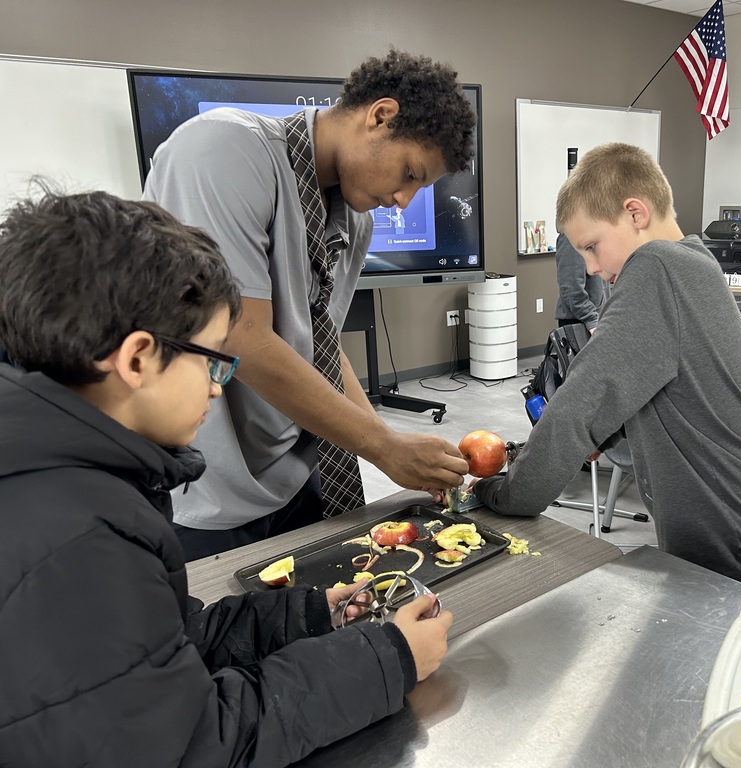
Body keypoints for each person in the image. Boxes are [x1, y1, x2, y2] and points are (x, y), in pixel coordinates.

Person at [0, 190, 453, 766]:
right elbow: (193, 746)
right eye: (213, 359)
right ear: (138, 358)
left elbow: (161, 647)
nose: (218, 386)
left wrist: (309, 617)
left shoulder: (62, 478)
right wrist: (388, 658)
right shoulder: (78, 539)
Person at [143, 50, 475, 559]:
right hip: (209, 486)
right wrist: (382, 446)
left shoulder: (355, 217)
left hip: (305, 468)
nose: (405, 200)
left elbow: (320, 343)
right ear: (379, 116)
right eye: (410, 173)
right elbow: (237, 337)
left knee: (327, 613)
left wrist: (383, 441)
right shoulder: (221, 150)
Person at [474, 143, 741, 595]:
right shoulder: (698, 262)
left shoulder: (655, 267)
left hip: (733, 539)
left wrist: (503, 494)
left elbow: (577, 408)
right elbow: (674, 394)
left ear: (635, 213)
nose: (592, 267)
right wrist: (604, 436)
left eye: (591, 246)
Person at [554, 232, 609, 333]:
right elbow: (571, 289)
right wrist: (591, 319)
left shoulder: (595, 234)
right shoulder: (570, 238)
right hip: (581, 322)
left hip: (599, 318)